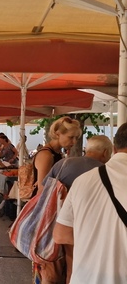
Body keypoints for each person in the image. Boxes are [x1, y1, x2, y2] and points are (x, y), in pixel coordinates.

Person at [53, 125, 127, 284]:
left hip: (84, 277)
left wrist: (94, 241)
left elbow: (61, 234)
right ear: (107, 151)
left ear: (114, 148)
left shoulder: (82, 181)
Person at [44, 135, 113, 284]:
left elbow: (43, 189)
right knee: (73, 268)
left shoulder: (64, 163)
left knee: (50, 270)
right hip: (80, 228)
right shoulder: (105, 172)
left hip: (52, 223)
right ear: (106, 152)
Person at [32, 116, 82, 284]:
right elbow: (43, 189)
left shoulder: (56, 154)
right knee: (49, 264)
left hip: (54, 211)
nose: (74, 141)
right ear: (58, 134)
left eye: (76, 138)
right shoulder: (47, 155)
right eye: (71, 137)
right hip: (47, 213)